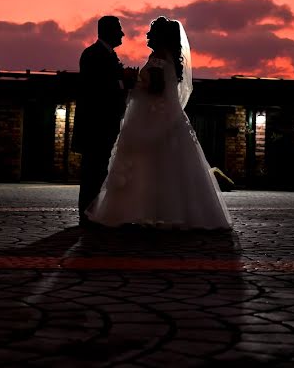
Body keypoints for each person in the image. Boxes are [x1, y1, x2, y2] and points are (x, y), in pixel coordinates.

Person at [86, 16, 232, 230]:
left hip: (153, 119)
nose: (147, 35)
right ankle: (161, 212)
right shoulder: (166, 57)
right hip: (161, 118)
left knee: (152, 165)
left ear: (160, 37)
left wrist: (133, 83)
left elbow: (156, 89)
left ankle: (149, 212)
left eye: (151, 32)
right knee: (163, 167)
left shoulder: (158, 58)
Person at [72, 15, 128, 226]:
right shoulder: (93, 55)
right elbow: (98, 90)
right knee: (91, 173)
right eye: (119, 29)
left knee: (98, 172)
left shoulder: (107, 55)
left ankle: (93, 213)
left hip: (104, 126)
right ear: (109, 31)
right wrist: (124, 84)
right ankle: (87, 215)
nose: (122, 34)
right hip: (96, 127)